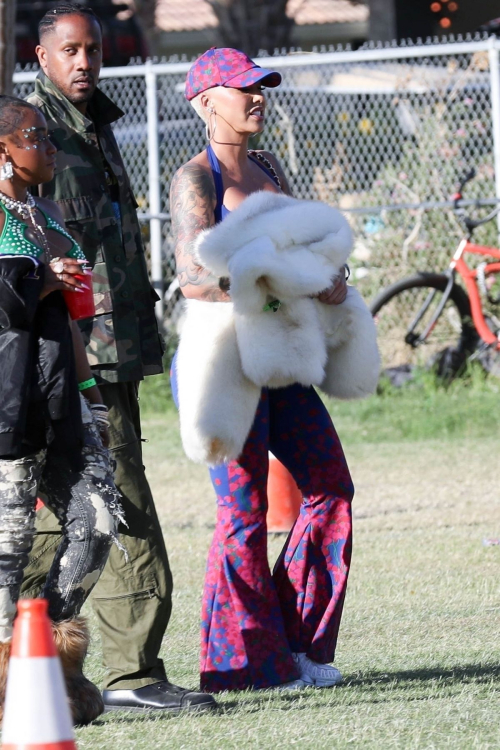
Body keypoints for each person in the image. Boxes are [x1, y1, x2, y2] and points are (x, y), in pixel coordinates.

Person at [20, 3, 216, 713]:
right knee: (115, 503)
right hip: (68, 351)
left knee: (66, 507)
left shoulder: (95, 123)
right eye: (69, 51)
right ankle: (134, 673)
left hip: (109, 345)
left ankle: (36, 655)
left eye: (93, 50)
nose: (84, 62)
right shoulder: (26, 131)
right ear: (41, 56)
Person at [170, 47, 354, 693]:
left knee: (331, 488)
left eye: (262, 86)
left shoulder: (270, 166)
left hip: (284, 357)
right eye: (243, 87)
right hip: (224, 365)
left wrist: (331, 276)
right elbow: (193, 280)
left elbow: (306, 246)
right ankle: (242, 666)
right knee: (243, 518)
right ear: (206, 101)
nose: (257, 97)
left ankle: (299, 645)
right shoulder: (196, 181)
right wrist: (278, 286)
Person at [0, 95, 120, 725]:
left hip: (62, 394)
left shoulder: (43, 210)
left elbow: (69, 319)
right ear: (2, 150)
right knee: (8, 544)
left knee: (97, 518)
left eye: (47, 136)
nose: (47, 146)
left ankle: (40, 653)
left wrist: (92, 394)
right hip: (9, 401)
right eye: (34, 136)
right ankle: (11, 685)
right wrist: (40, 281)